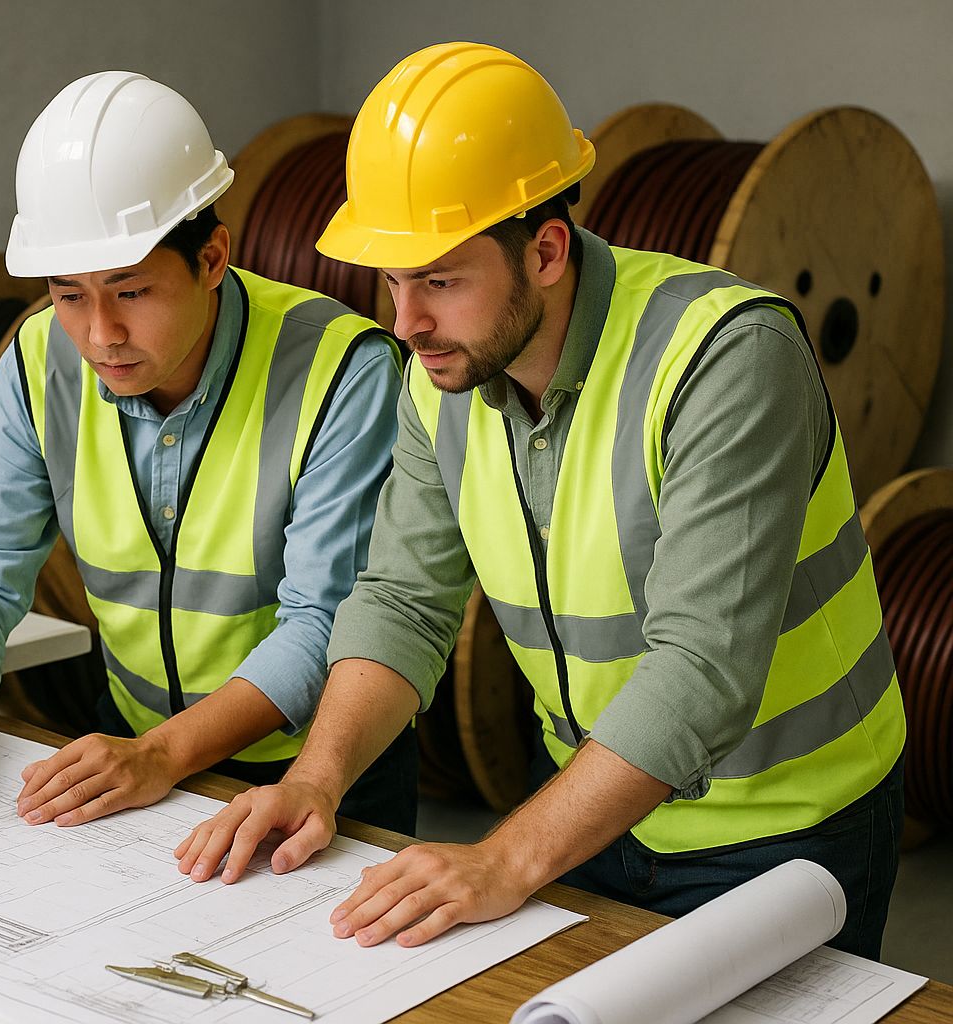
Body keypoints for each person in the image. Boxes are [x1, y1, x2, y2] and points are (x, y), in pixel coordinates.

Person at [174, 43, 904, 960]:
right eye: (392, 281)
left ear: (547, 249)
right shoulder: (438, 377)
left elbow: (702, 674)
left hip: (784, 831)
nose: (404, 323)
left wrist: (504, 859)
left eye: (438, 279)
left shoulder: (725, 358)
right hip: (588, 809)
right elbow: (403, 600)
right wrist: (319, 779)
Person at [0, 70, 410, 854]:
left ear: (213, 257)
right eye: (70, 295)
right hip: (138, 753)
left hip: (318, 769)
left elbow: (324, 625)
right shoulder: (38, 362)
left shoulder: (342, 370)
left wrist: (164, 755)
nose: (98, 336)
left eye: (129, 291)